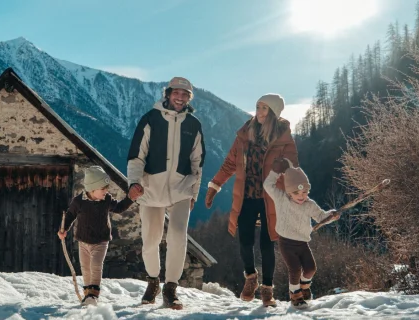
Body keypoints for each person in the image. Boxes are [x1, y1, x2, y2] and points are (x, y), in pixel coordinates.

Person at [205, 94, 298, 306]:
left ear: (273, 112)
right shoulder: (245, 135)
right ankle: (250, 277)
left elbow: (293, 167)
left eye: (265, 108)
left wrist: (293, 189)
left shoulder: (283, 137)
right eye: (258, 107)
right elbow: (230, 163)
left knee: (267, 244)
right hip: (247, 195)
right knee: (245, 241)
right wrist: (215, 185)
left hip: (271, 197)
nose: (260, 111)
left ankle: (267, 289)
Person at [127, 76, 206, 310]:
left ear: (188, 98)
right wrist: (133, 182)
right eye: (176, 93)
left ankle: (171, 288)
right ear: (168, 94)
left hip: (181, 189)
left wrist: (194, 194)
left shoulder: (194, 124)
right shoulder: (150, 119)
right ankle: (153, 281)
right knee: (150, 240)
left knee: (178, 237)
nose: (180, 98)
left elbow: (198, 161)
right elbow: (136, 155)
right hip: (151, 188)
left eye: (185, 95)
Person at [263, 158, 340, 308]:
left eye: (304, 192)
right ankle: (295, 295)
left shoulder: (309, 205)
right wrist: (275, 172)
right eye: (296, 192)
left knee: (311, 268)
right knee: (295, 269)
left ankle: (305, 286)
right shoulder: (281, 199)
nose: (301, 196)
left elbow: (321, 217)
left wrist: (331, 216)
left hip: (302, 243)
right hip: (286, 242)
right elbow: (268, 185)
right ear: (288, 191)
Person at [58, 166, 134, 305]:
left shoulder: (106, 200)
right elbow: (70, 215)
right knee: (86, 268)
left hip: (100, 241)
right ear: (92, 189)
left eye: (106, 188)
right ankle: (87, 294)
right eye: (103, 189)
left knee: (96, 265)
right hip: (83, 241)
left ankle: (94, 294)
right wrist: (64, 229)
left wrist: (130, 198)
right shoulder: (79, 202)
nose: (106, 191)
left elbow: (118, 208)